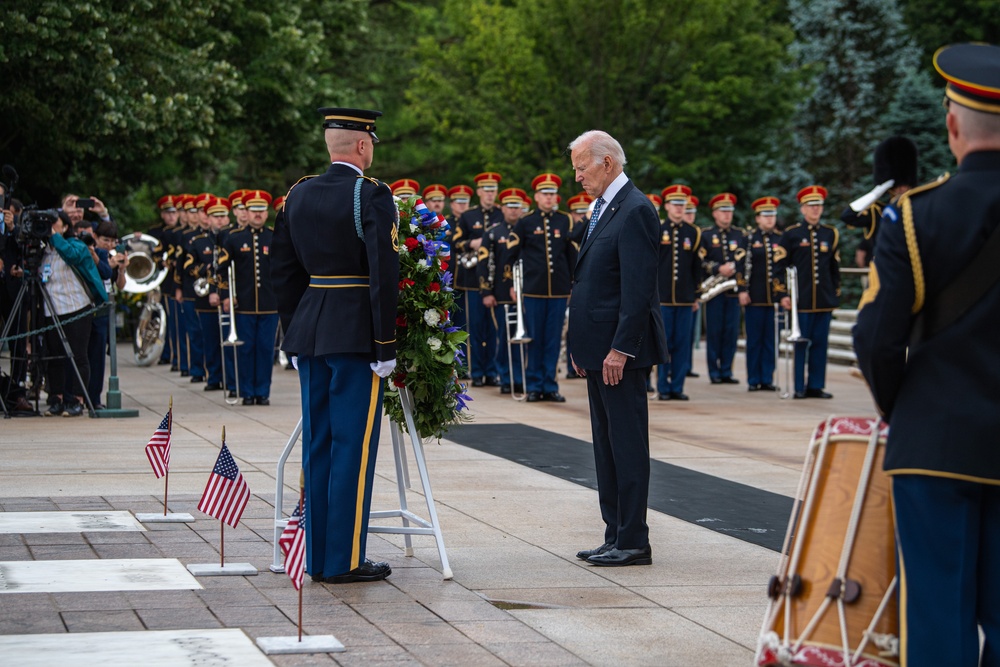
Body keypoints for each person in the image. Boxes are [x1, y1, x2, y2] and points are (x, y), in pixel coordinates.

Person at [853, 42, 1000, 667]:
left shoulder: (914, 217)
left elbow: (877, 340)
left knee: (936, 618)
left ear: (951, 123)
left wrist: (904, 408)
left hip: (935, 445)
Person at [272, 106, 398, 584]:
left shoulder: (297, 195)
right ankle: (343, 559)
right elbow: (383, 273)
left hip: (312, 329)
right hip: (355, 334)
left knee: (318, 443)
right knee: (353, 447)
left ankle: (314, 552)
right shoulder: (370, 195)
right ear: (363, 146)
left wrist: (293, 332)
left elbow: (284, 272)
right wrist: (385, 345)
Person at [567, 130, 667, 567]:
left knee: (626, 447)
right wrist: (582, 344)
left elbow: (638, 289)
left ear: (607, 163)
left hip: (619, 357)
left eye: (581, 167)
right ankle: (615, 534)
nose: (577, 177)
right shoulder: (603, 207)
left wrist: (622, 349)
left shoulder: (636, 210)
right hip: (597, 351)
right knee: (605, 448)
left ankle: (634, 540)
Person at [508, 173, 575, 403]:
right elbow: (511, 255)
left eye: (552, 194)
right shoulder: (526, 222)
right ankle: (535, 385)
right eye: (545, 194)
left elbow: (572, 255)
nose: (549, 198)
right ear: (536, 197)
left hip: (558, 290)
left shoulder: (565, 220)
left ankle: (551, 385)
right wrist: (512, 284)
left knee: (554, 339)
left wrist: (574, 284)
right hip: (533, 290)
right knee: (534, 339)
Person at [774, 185, 839, 399]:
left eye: (819, 205)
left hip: (823, 299)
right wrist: (782, 294)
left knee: (820, 345)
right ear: (802, 209)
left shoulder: (830, 233)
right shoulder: (792, 234)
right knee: (801, 345)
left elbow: (834, 268)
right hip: (800, 300)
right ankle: (799, 387)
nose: (815, 210)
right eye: (811, 206)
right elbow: (778, 266)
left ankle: (816, 385)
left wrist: (835, 293)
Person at [41, 210, 108, 417]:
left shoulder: (77, 245)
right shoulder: (44, 251)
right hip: (52, 310)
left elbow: (71, 256)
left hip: (77, 307)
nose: (50, 226)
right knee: (54, 357)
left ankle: (78, 399)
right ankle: (57, 398)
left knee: (78, 355)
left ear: (66, 225)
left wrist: (55, 236)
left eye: (54, 223)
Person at [220, 189, 278, 405]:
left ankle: (262, 392)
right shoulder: (234, 239)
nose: (257, 215)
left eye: (261, 211)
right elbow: (220, 270)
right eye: (253, 210)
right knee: (245, 350)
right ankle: (246, 392)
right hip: (242, 305)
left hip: (269, 304)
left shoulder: (273, 237)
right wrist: (226, 295)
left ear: (266, 213)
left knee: (264, 350)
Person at [454, 172, 503, 386]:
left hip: (496, 282)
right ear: (479, 192)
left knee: (493, 329)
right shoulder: (468, 216)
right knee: (474, 329)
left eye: (494, 190)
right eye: (487, 190)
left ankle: (491, 371)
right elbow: (455, 241)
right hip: (472, 280)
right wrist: (470, 244)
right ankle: (476, 372)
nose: (490, 194)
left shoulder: (502, 215)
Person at [656, 184, 701, 401]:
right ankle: (663, 387)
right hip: (663, 298)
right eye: (675, 204)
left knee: (682, 345)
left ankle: (678, 386)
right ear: (666, 206)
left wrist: (697, 295)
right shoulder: (658, 229)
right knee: (664, 345)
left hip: (684, 299)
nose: (679, 208)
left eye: (682, 205)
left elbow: (696, 267)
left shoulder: (693, 233)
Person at [477, 187, 524, 395]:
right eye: (509, 206)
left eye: (517, 207)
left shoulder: (528, 229)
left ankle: (522, 378)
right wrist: (486, 292)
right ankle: (506, 377)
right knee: (504, 339)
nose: (514, 211)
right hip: (501, 294)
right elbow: (483, 263)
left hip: (526, 294)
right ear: (502, 208)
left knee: (524, 340)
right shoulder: (493, 232)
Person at [700, 192, 744, 384]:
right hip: (714, 292)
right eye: (722, 211)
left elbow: (745, 261)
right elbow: (700, 260)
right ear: (715, 214)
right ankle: (714, 372)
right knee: (714, 332)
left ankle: (727, 370)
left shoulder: (740, 235)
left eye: (729, 211)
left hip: (733, 292)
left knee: (731, 332)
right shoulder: (706, 235)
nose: (727, 215)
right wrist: (718, 268)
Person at [738, 197, 782, 391]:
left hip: (774, 299)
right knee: (754, 341)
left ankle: (767, 378)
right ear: (757, 218)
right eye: (765, 215)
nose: (770, 219)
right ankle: (753, 379)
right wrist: (742, 290)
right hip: (754, 298)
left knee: (771, 342)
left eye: (772, 215)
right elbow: (741, 266)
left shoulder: (780, 239)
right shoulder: (749, 239)